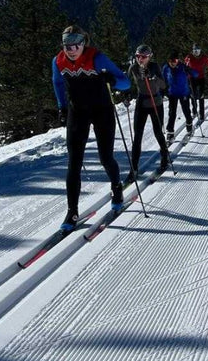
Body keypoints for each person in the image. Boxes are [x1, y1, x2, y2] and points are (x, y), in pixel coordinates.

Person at [51, 25, 130, 231]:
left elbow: (126, 83)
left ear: (83, 43)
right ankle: (72, 211)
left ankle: (116, 188)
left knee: (105, 157)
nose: (71, 49)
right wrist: (61, 106)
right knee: (74, 162)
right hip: (77, 113)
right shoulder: (58, 61)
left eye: (75, 44)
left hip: (102, 111)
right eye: (67, 45)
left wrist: (111, 80)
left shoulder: (98, 58)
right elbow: (58, 83)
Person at [125, 44, 169, 183]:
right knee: (137, 136)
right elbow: (127, 83)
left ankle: (164, 157)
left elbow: (163, 85)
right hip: (142, 102)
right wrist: (125, 96)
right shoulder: (133, 67)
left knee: (158, 132)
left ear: (149, 57)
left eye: (143, 57)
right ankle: (134, 168)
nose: (140, 59)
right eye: (138, 56)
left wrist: (153, 78)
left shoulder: (155, 67)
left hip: (155, 101)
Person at [162, 51, 196, 143]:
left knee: (186, 110)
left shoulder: (183, 67)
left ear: (178, 60)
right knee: (172, 112)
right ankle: (170, 132)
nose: (173, 63)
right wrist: (162, 90)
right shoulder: (166, 68)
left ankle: (189, 126)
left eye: (175, 60)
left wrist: (189, 70)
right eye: (170, 61)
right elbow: (162, 80)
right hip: (172, 93)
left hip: (184, 93)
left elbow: (195, 74)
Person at [185, 44, 208, 122]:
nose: (196, 52)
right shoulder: (189, 57)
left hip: (201, 78)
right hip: (192, 78)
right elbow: (185, 65)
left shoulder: (204, 57)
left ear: (200, 50)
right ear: (192, 51)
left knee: (201, 95)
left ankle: (202, 114)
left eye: (197, 50)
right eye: (194, 51)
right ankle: (194, 110)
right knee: (193, 94)